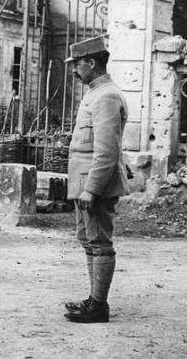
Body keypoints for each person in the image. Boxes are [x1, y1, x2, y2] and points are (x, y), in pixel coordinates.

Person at [62, 35, 129, 324]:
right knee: (88, 240)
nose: (75, 70)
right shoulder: (95, 93)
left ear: (92, 62)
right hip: (84, 182)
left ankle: (99, 306)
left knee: (100, 242)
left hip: (95, 185)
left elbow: (106, 151)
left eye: (77, 64)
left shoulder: (107, 96)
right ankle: (94, 299)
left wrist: (91, 189)